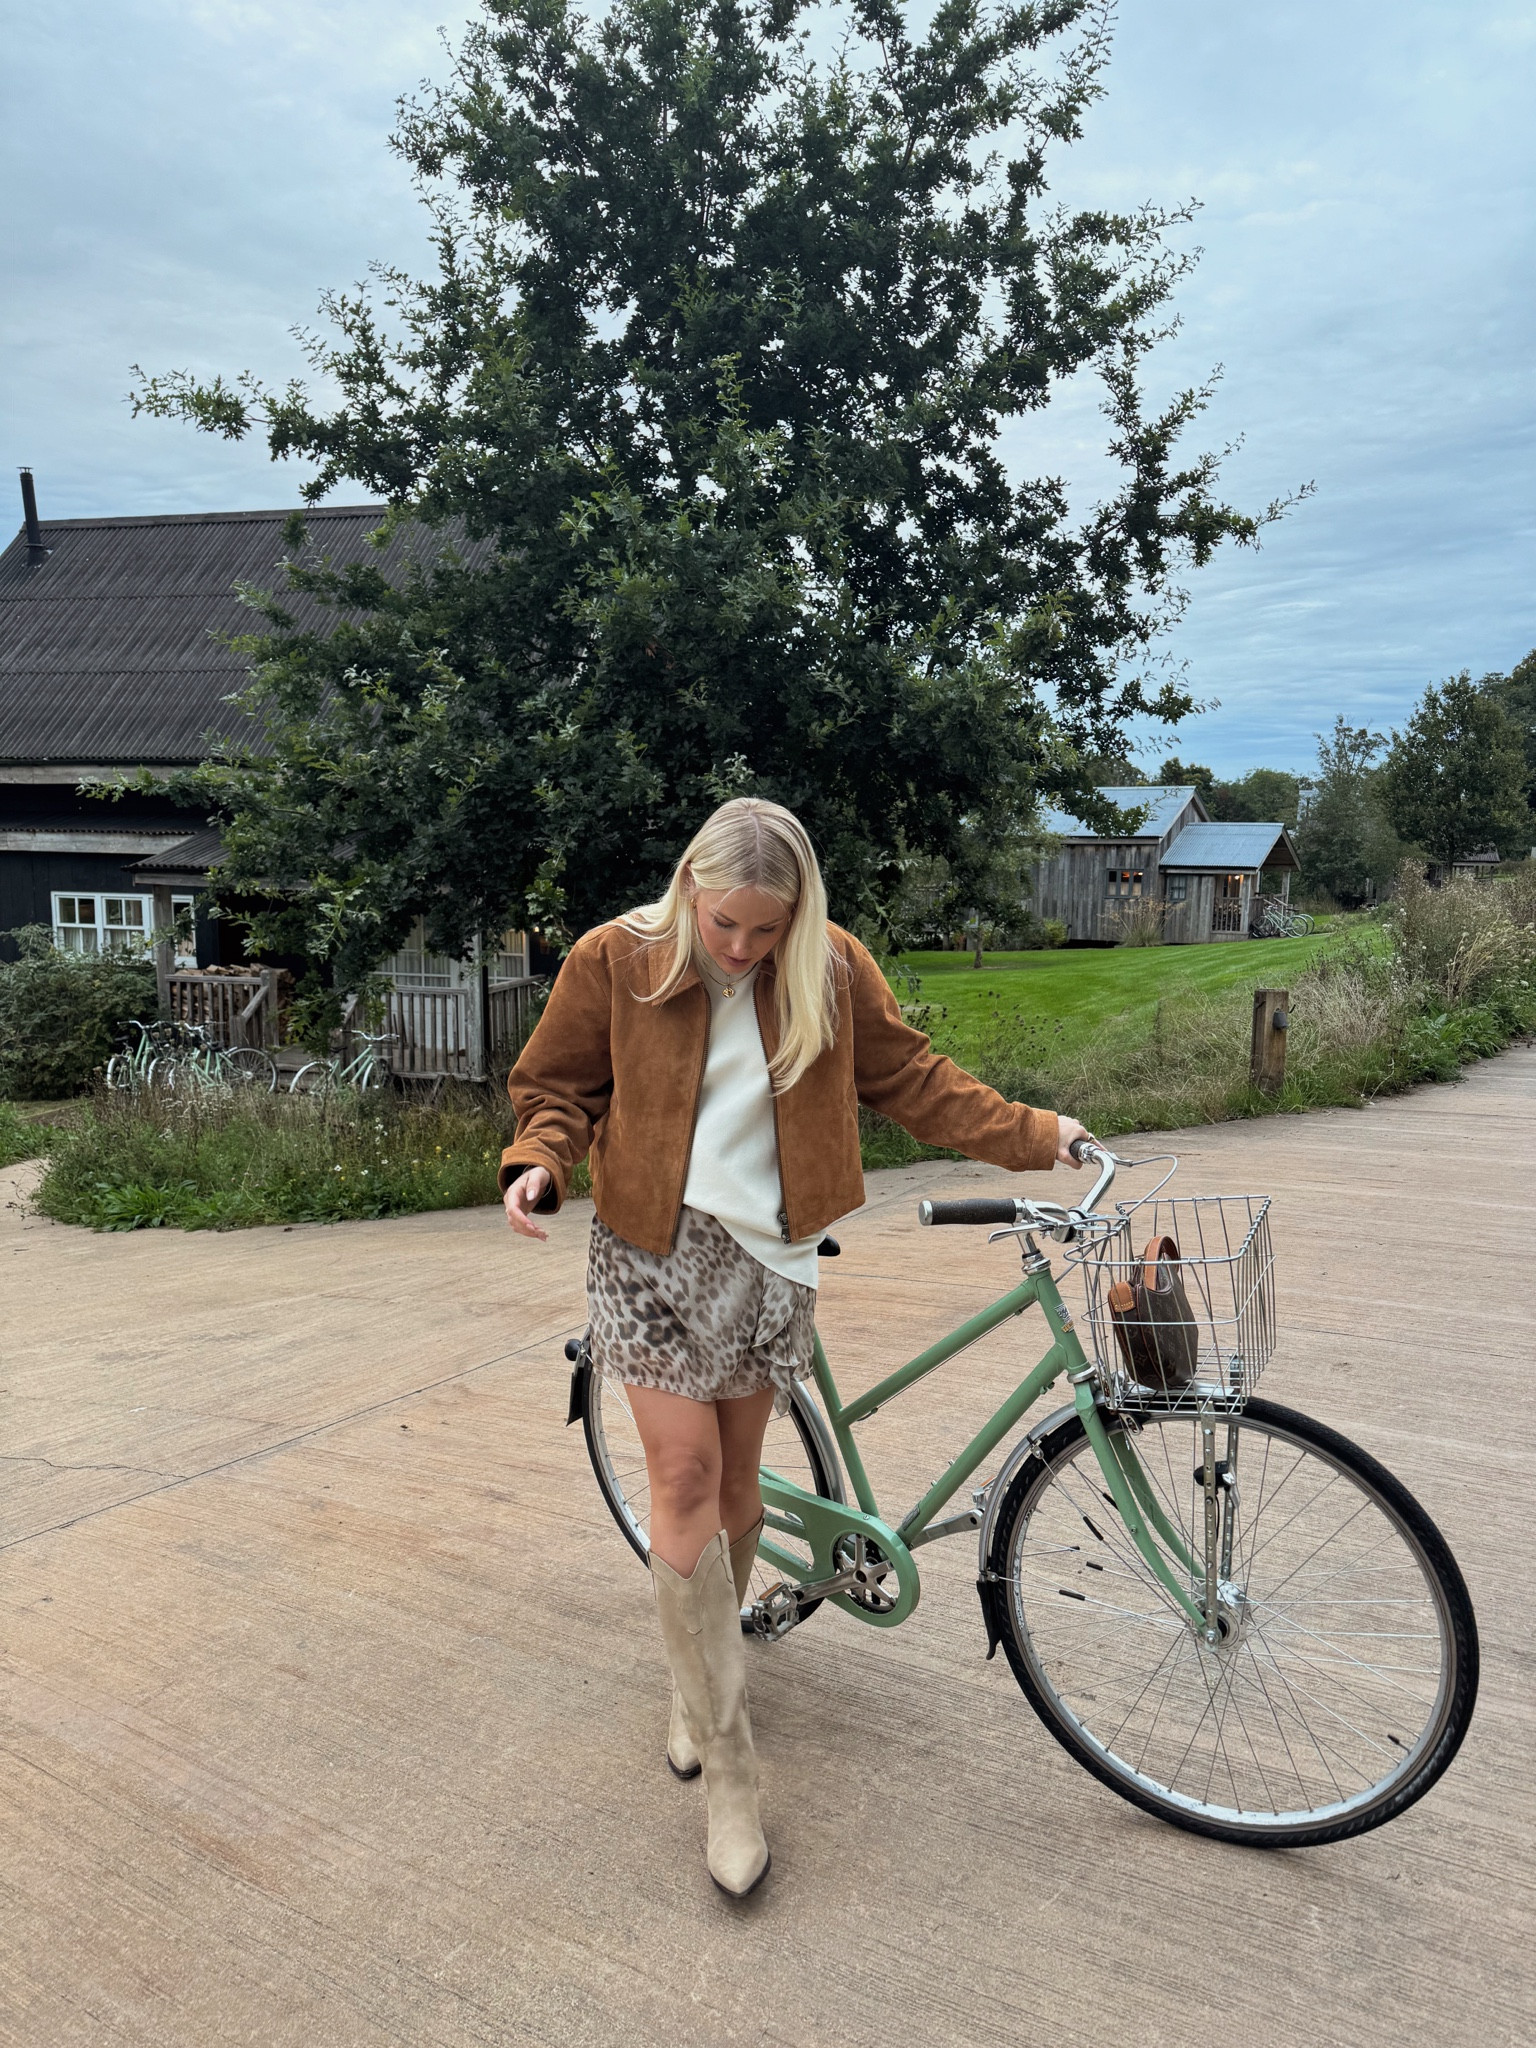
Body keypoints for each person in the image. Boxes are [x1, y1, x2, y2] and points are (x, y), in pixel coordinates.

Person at [501, 798, 1091, 1897]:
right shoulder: (615, 958)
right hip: (650, 1251)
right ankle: (731, 1773)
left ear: (797, 914)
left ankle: (696, 1680)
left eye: (765, 929)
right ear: (690, 886)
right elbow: (556, 1086)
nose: (740, 947)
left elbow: (913, 1079)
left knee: (739, 1494)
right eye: (725, 922)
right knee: (685, 1479)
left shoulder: (831, 967)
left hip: (772, 1261)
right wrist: (540, 1159)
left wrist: (1034, 1132)